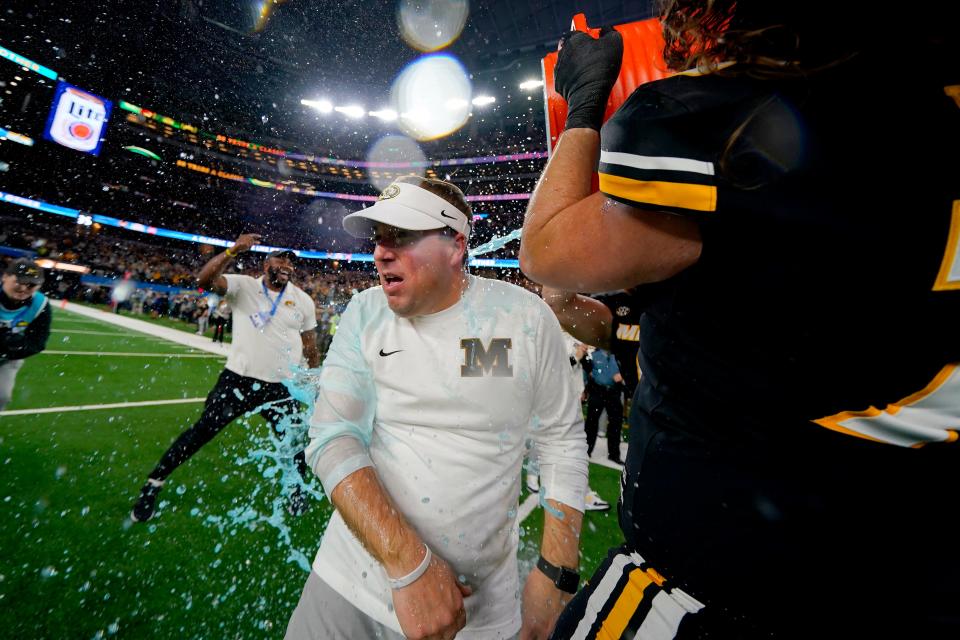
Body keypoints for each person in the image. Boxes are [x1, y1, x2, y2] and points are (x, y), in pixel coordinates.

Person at [521, 2, 960, 637]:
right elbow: (757, 319)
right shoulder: (919, 113)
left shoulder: (737, 126)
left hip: (728, 575)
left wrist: (584, 108)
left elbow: (549, 250)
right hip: (905, 567)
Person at [285, 176, 589, 640]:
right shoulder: (366, 312)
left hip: (478, 615)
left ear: (456, 244)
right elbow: (333, 437)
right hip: (347, 585)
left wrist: (557, 573)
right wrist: (410, 564)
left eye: (401, 236)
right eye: (378, 237)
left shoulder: (522, 318)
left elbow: (560, 441)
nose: (381, 252)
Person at [131, 237, 320, 522]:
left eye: (290, 261)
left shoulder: (303, 300)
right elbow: (205, 280)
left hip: (281, 387)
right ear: (266, 264)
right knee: (200, 433)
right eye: (280, 259)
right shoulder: (244, 285)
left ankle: (296, 491)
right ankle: (153, 484)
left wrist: (312, 377)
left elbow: (310, 345)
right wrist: (233, 251)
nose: (287, 265)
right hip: (238, 381)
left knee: (293, 444)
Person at [0, 259, 51, 411]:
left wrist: (13, 345)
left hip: (8, 357)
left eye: (31, 285)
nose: (23, 288)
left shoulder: (40, 305)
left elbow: (38, 342)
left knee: (2, 395)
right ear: (5, 277)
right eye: (19, 281)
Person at [582, 347, 624, 465]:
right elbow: (586, 372)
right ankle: (586, 451)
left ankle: (614, 455)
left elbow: (628, 370)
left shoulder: (619, 354)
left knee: (616, 424)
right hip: (597, 390)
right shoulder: (594, 354)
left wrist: (623, 376)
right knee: (591, 422)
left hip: (614, 392)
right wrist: (584, 389)